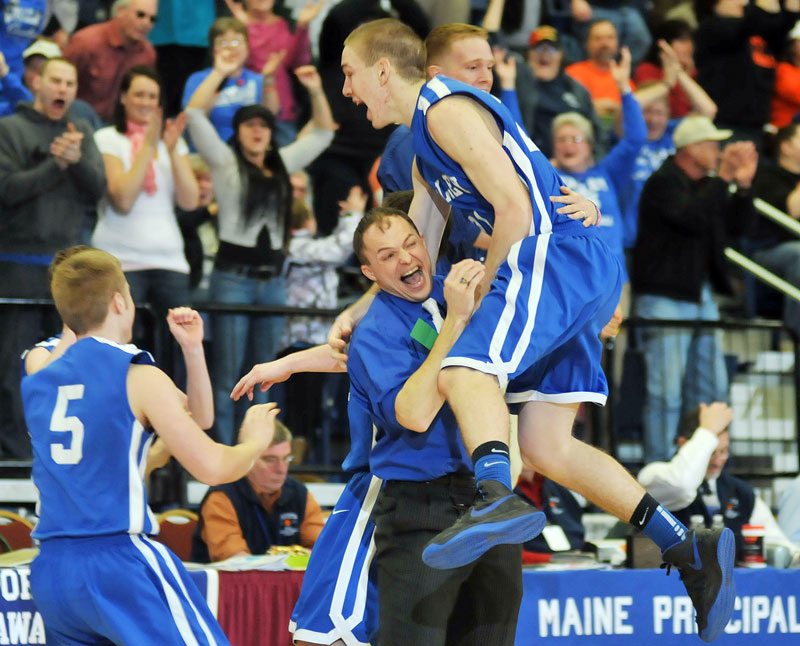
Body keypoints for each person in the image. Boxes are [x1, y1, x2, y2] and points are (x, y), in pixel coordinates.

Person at [338, 19, 736, 642]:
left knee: (465, 366)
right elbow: (420, 239)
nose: (347, 89)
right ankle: (686, 546)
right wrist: (360, 308)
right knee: (548, 447)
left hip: (551, 257)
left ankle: (494, 497)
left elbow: (518, 212)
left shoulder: (444, 109)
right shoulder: (423, 148)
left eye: (349, 73)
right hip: (570, 261)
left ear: (382, 70)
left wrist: (498, 294)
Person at [21, 247, 278, 645]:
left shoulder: (38, 377)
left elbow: (195, 414)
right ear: (120, 300)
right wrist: (253, 443)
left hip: (53, 568)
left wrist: (192, 350)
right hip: (116, 557)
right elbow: (212, 467)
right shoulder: (135, 372)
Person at [185, 64, 336, 445]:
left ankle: (256, 451)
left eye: (264, 126)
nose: (257, 131)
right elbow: (194, 115)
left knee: (266, 374)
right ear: (237, 131)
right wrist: (219, 71)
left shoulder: (282, 164)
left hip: (272, 281)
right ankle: (218, 451)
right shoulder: (225, 164)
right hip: (233, 278)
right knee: (227, 374)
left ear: (271, 134)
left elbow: (322, 131)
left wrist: (316, 90)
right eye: (250, 125)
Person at [632, 115, 757, 465]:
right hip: (665, 298)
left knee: (711, 391)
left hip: (701, 297)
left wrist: (743, 186)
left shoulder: (707, 186)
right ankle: (658, 472)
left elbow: (737, 227)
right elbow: (693, 219)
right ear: (692, 148)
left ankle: (704, 468)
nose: (718, 152)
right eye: (713, 145)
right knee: (666, 394)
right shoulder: (662, 183)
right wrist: (727, 179)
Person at [0, 56, 106, 459]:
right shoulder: (9, 130)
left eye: (70, 83)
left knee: (71, 367)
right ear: (36, 82)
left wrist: (75, 163)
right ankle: (15, 459)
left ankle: (62, 453)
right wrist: (54, 165)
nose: (63, 89)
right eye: (56, 81)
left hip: (69, 272)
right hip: (16, 267)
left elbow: (98, 189)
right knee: (15, 370)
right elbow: (6, 191)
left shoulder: (81, 132)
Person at [91, 65, 200, 313]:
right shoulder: (108, 138)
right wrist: (149, 145)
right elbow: (123, 199)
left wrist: (171, 151)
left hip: (170, 260)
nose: (146, 102)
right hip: (120, 260)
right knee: (122, 343)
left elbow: (190, 201)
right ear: (123, 98)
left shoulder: (172, 140)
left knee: (177, 342)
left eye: (152, 97)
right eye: (139, 94)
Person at [638, 402, 799, 561]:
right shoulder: (654, 475)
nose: (717, 461)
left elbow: (778, 543)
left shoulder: (740, 491)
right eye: (711, 452)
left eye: (723, 451)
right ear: (683, 444)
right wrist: (707, 430)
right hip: (668, 580)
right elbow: (682, 486)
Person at [192, 420, 324, 562]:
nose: (281, 469)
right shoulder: (222, 497)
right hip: (232, 583)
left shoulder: (300, 494)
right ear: (246, 458)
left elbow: (323, 551)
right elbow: (234, 561)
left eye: (286, 458)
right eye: (270, 459)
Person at [693, 0, 800, 145]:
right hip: (724, 124)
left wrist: (791, 9)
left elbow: (780, 28)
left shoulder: (754, 33)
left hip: (756, 126)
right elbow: (745, 26)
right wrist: (758, 7)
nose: (743, 2)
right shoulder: (710, 28)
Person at [224, 0, 326, 146]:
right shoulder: (236, 26)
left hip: (282, 106)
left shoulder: (281, 23)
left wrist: (302, 26)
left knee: (287, 159)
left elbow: (296, 61)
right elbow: (252, 62)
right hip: (248, 104)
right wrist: (248, 26)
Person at [181, 16, 280, 145]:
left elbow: (271, 116)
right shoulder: (197, 80)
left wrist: (268, 80)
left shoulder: (256, 79)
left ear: (247, 48)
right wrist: (220, 73)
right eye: (222, 42)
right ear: (213, 50)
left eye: (236, 42)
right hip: (207, 154)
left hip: (247, 155)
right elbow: (193, 118)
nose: (230, 47)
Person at [517, 24, 604, 159]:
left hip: (575, 168)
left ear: (561, 55)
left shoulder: (577, 90)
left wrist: (593, 162)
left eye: (552, 49)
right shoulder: (517, 84)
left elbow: (597, 134)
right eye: (538, 48)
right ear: (528, 54)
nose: (545, 53)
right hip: (532, 163)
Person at [64, 0, 158, 123]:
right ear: (120, 11)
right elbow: (60, 83)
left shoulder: (147, 53)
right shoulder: (86, 42)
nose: (146, 23)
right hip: (79, 122)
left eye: (153, 19)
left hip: (122, 129)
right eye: (140, 15)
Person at [749, 122, 800, 336]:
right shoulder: (767, 175)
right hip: (769, 251)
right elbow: (794, 209)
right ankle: (795, 336)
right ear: (786, 147)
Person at [565, 19, 636, 127]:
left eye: (610, 38)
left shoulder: (625, 81)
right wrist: (612, 107)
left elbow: (632, 116)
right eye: (597, 38)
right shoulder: (572, 73)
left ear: (617, 42)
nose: (604, 43)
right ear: (587, 43)